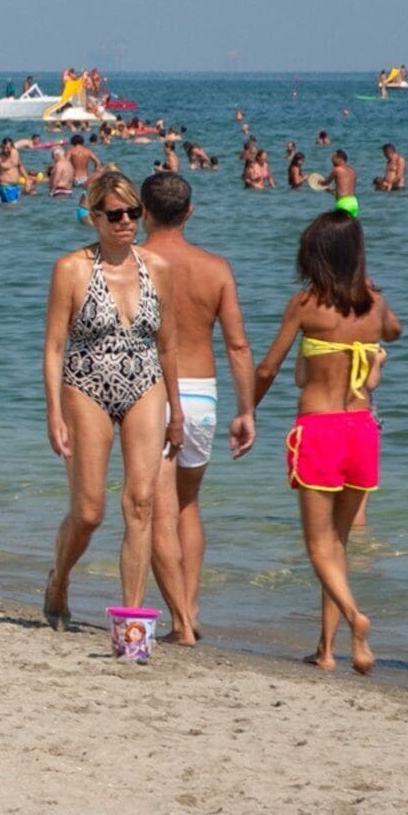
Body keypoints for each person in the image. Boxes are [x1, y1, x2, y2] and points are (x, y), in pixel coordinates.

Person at [250, 209, 401, 675]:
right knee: (338, 544)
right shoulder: (373, 304)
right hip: (362, 431)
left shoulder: (305, 304)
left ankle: (356, 620)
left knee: (318, 546)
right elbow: (394, 332)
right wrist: (373, 296)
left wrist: (246, 411)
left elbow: (269, 368)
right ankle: (329, 650)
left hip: (320, 430)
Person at [37, 171, 170, 632]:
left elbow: (167, 345)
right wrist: (53, 412)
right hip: (86, 385)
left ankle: (132, 622)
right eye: (115, 215)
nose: (126, 222)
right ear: (93, 218)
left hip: (145, 384)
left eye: (134, 213)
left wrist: (178, 412)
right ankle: (59, 579)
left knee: (141, 501)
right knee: (90, 510)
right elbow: (54, 346)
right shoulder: (71, 269)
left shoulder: (157, 267)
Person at [142, 169, 254, 645]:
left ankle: (179, 623)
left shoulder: (136, 263)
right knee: (187, 504)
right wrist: (246, 409)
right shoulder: (216, 268)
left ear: (143, 213)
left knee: (154, 512)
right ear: (190, 212)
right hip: (202, 393)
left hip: (150, 394)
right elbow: (237, 346)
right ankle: (191, 606)